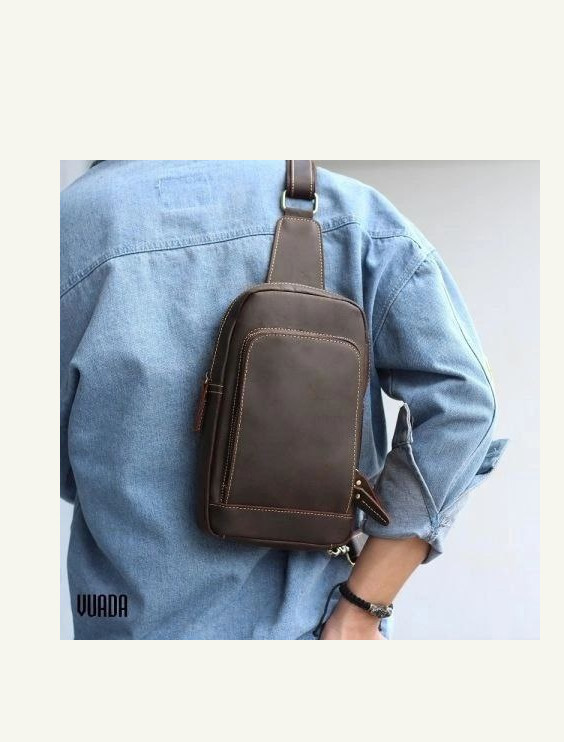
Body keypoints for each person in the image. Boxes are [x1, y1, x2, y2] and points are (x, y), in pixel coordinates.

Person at [60, 160, 506, 640]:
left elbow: (67, 469)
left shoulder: (68, 226)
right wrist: (361, 609)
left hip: (128, 628)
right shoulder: (352, 214)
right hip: (312, 631)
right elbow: (464, 405)